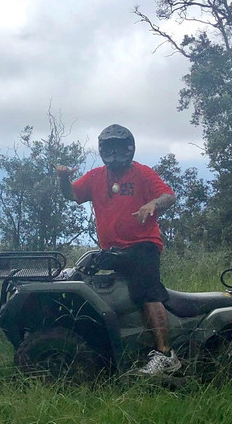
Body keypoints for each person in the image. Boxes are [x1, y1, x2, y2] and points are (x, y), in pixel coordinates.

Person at [55, 124, 180, 376]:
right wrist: (63, 178)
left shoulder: (142, 173)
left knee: (147, 292)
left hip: (143, 245)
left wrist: (153, 204)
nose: (114, 154)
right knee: (88, 282)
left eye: (119, 148)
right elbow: (71, 195)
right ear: (103, 150)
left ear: (129, 149)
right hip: (112, 250)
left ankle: (166, 355)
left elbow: (168, 196)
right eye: (109, 149)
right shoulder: (95, 176)